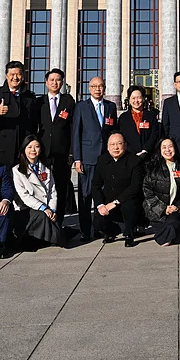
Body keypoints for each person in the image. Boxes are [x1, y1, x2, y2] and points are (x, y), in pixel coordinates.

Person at [72, 76, 119, 242]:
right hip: (88, 158)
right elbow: (75, 134)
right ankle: (85, 230)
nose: (97, 89)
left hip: (106, 158)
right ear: (89, 88)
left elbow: (114, 132)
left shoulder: (110, 106)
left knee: (106, 195)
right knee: (85, 196)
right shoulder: (81, 107)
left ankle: (104, 228)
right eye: (94, 86)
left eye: (100, 86)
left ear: (104, 88)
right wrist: (77, 159)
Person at [36, 68, 75, 233]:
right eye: (51, 80)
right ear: (46, 82)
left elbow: (73, 128)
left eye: (58, 80)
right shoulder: (39, 102)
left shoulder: (68, 102)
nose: (55, 83)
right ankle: (43, 224)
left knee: (60, 188)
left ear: (62, 82)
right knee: (42, 188)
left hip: (62, 152)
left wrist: (72, 152)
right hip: (42, 153)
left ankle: (58, 223)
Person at [0, 60, 38, 167]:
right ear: (7, 76)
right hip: (0, 148)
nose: (15, 78)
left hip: (22, 147)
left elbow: (34, 123)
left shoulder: (30, 97)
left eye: (18, 74)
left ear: (23, 76)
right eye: (12, 74)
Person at [91, 133, 145, 247]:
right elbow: (96, 185)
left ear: (125, 145)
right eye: (112, 144)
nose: (116, 147)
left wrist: (116, 202)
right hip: (108, 201)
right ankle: (111, 232)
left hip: (128, 200)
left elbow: (135, 187)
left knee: (128, 207)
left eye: (119, 144)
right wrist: (100, 205)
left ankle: (129, 234)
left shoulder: (134, 160)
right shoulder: (102, 160)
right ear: (107, 146)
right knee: (98, 222)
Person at [142, 138, 180, 246]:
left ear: (175, 148)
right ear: (160, 150)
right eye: (164, 147)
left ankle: (173, 234)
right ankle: (174, 235)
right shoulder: (153, 168)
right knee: (167, 230)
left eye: (170, 146)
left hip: (175, 209)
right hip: (157, 211)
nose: (168, 150)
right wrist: (163, 208)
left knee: (172, 224)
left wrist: (178, 206)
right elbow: (147, 191)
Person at [11, 135, 62, 248]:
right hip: (27, 209)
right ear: (24, 149)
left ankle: (48, 238)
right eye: (29, 147)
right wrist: (43, 208)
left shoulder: (46, 168)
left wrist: (52, 209)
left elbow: (52, 191)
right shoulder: (17, 170)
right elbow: (24, 196)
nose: (33, 150)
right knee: (43, 217)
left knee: (50, 218)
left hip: (46, 208)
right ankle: (54, 238)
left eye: (36, 147)